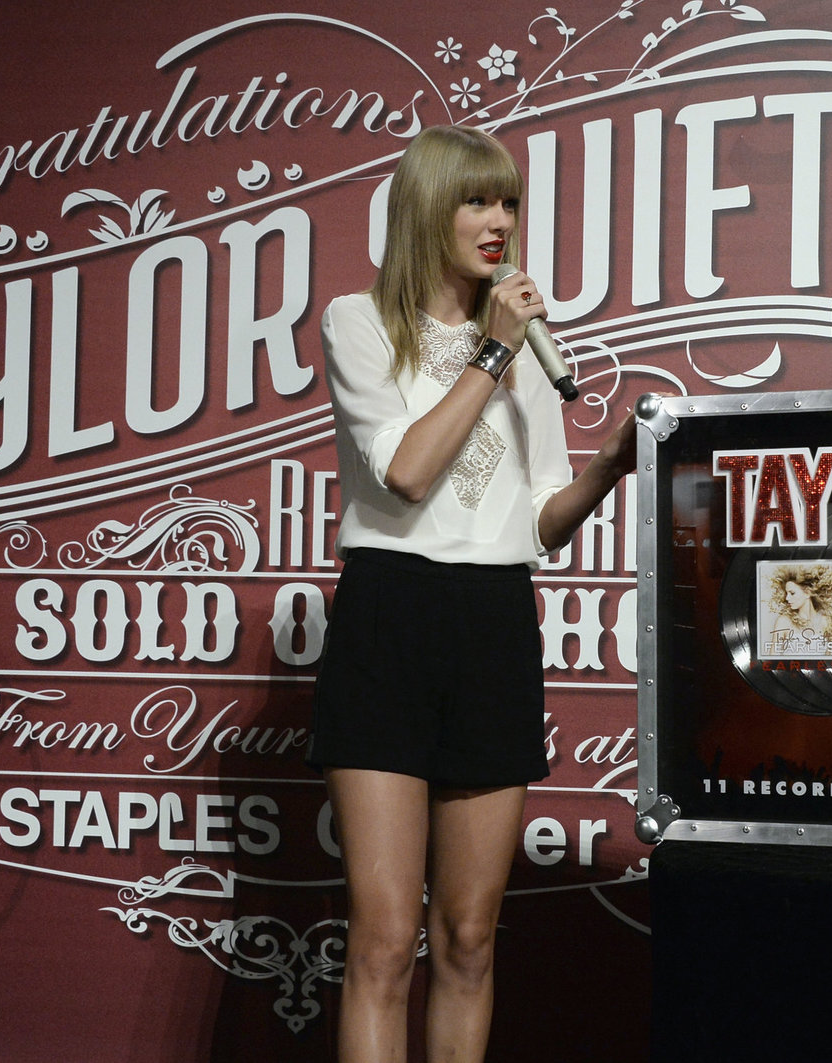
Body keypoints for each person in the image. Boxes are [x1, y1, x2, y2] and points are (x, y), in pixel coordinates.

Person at [305, 124, 637, 1063]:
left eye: (509, 203)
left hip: (493, 620)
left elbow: (539, 521)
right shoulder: (360, 322)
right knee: (383, 940)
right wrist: (491, 353)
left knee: (468, 938)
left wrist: (608, 467)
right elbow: (407, 472)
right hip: (390, 614)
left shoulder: (526, 345)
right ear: (427, 209)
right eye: (477, 200)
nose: (499, 222)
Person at [763, 563, 832, 655]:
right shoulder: (784, 622)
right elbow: (773, 659)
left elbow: (827, 659)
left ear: (807, 593)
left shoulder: (826, 622)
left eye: (792, 593)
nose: (787, 598)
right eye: (787, 593)